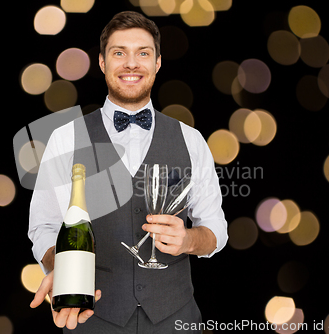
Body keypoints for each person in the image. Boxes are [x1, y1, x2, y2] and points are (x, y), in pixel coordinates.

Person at [28, 11, 228, 333]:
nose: (131, 64)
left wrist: (189, 239)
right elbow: (45, 226)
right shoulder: (65, 138)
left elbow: (215, 229)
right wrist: (62, 273)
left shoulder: (191, 140)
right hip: (91, 318)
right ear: (103, 63)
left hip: (176, 318)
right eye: (119, 53)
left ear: (158, 63)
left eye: (143, 53)